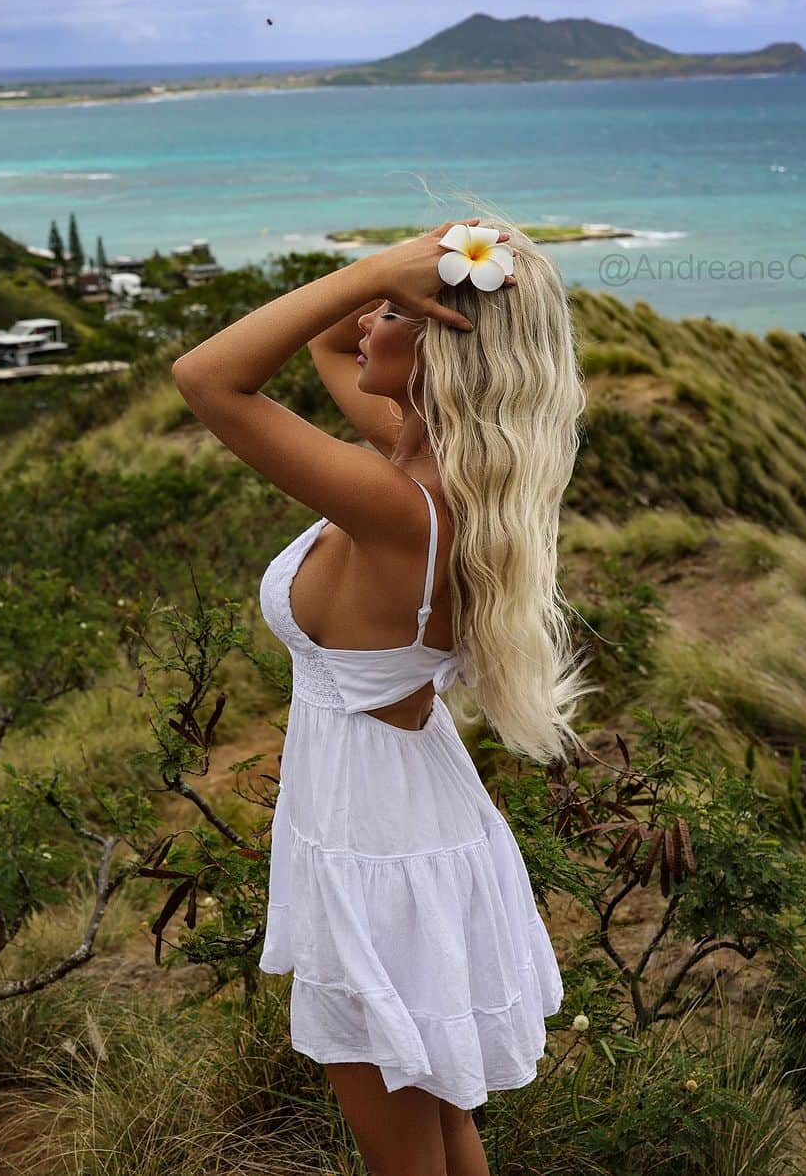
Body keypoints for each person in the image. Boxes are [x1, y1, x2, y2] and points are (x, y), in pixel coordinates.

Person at [171, 213, 591, 1176]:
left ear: (448, 344)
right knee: (440, 1133)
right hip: (400, 821)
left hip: (379, 849)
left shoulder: (404, 508)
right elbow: (325, 339)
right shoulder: (433, 465)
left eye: (392, 313)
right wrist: (400, 282)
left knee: (403, 1153)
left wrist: (377, 268)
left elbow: (208, 377)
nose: (366, 322)